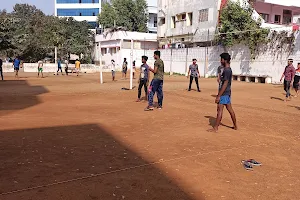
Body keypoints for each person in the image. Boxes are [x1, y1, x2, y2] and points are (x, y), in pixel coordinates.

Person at [209, 53, 237, 133]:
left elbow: (225, 83)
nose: (220, 61)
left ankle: (216, 128)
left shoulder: (227, 70)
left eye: (221, 59)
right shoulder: (227, 69)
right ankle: (235, 126)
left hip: (224, 93)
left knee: (220, 110)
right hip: (227, 93)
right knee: (230, 109)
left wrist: (218, 96)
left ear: (224, 60)